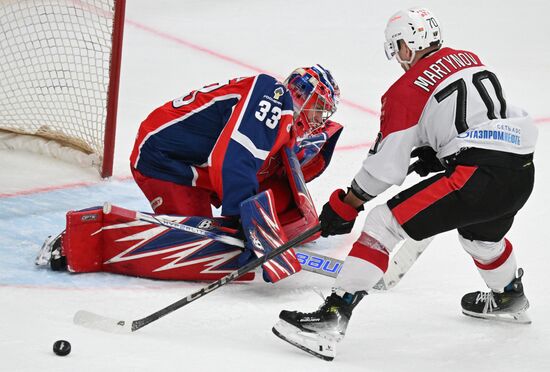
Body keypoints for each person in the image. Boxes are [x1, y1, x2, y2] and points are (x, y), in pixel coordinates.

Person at [272, 7, 538, 361]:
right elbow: (475, 115)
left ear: (409, 43)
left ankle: (331, 318)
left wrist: (347, 203)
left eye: (398, 47)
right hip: (520, 170)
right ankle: (509, 295)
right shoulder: (469, 58)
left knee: (383, 223)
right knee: (480, 236)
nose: (398, 58)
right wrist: (438, 149)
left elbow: (384, 167)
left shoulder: (405, 89)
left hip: (477, 175)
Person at [36, 65, 344, 283]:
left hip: (200, 166)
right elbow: (234, 158)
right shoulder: (273, 95)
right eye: (318, 108)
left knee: (226, 232)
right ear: (300, 93)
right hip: (164, 159)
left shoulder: (284, 125)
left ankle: (261, 226)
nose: (318, 120)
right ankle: (80, 238)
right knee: (200, 241)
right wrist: (244, 222)